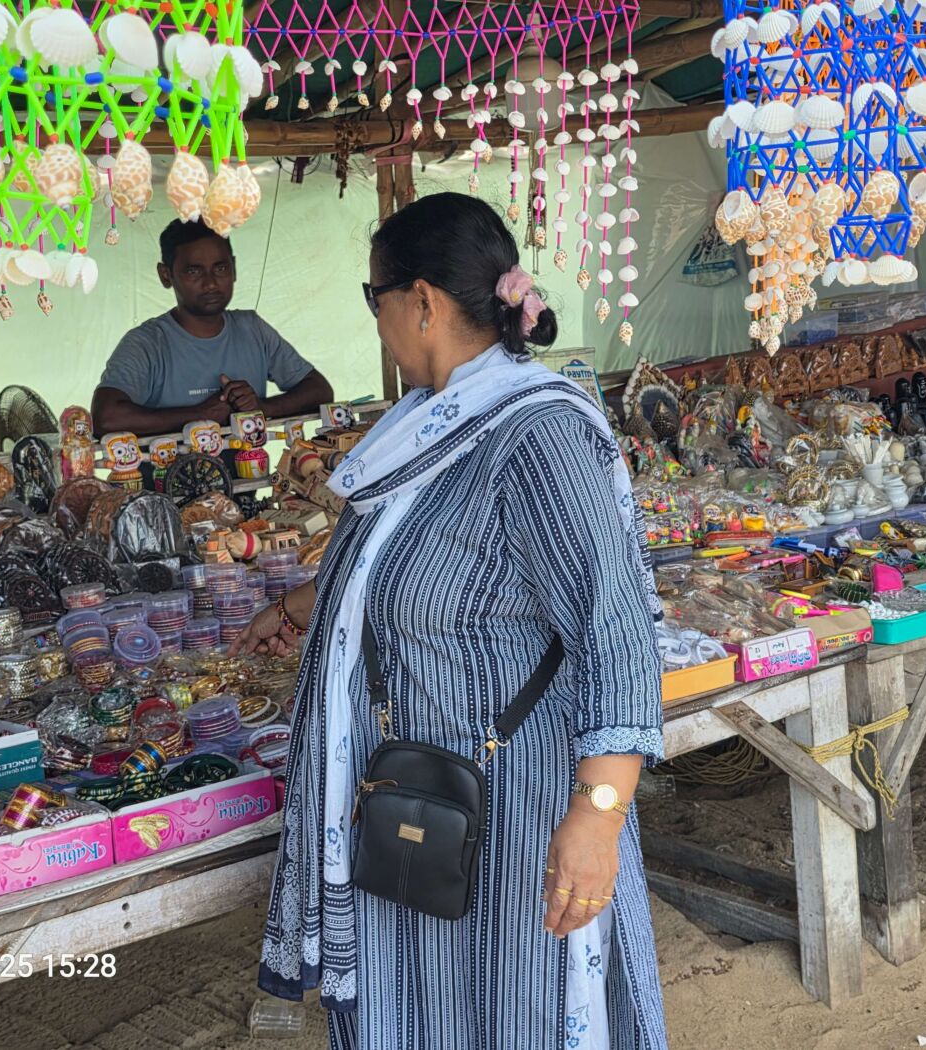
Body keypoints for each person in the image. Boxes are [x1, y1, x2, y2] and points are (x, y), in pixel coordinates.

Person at [235, 192, 668, 1050]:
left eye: (376, 299)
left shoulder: (533, 436)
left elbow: (615, 633)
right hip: (415, 799)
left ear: (423, 302)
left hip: (512, 809)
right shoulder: (425, 422)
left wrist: (598, 817)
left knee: (513, 1007)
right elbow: (409, 561)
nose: (377, 321)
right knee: (423, 1008)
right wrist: (305, 606)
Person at [92, 219, 334, 436]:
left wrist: (260, 408)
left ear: (234, 268)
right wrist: (199, 415)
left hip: (246, 474)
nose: (210, 283)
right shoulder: (146, 344)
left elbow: (320, 391)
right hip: (162, 475)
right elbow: (106, 418)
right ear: (166, 275)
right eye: (193, 271)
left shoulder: (252, 330)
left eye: (220, 268)